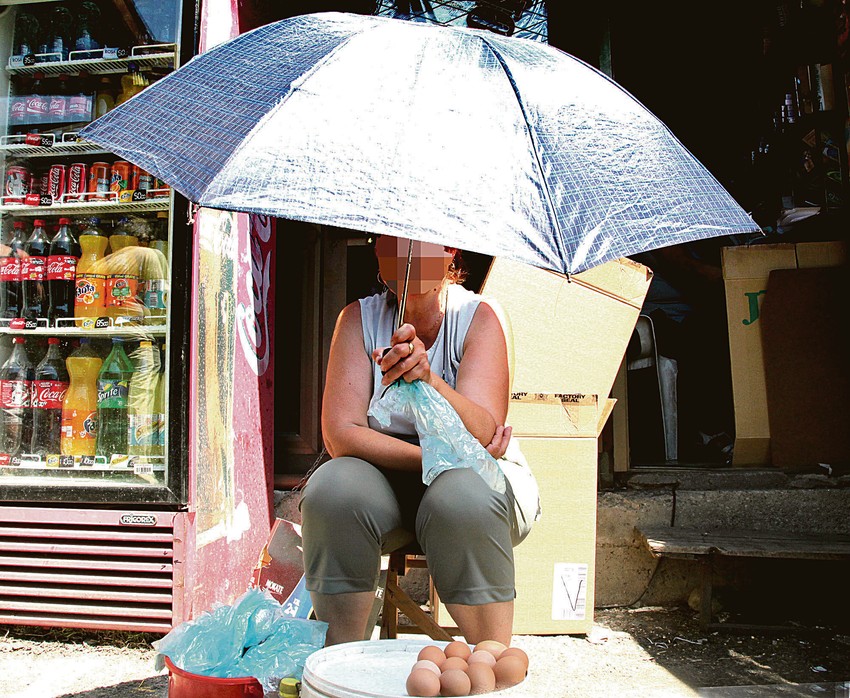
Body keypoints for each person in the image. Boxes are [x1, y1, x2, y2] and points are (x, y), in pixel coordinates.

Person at [299, 234, 539, 647]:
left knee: (462, 495)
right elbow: (341, 435)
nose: (405, 253)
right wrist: (433, 457)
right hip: (384, 485)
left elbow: (483, 433)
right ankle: (342, 659)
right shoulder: (357, 320)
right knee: (331, 489)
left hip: (476, 487)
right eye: (390, 241)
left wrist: (429, 379)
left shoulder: (479, 317)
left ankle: (491, 659)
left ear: (450, 251)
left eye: (419, 243)